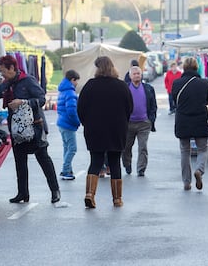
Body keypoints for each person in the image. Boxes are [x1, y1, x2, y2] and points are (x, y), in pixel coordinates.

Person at [0, 55, 61, 203]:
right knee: (20, 161)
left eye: (3, 71)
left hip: (34, 127)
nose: (2, 74)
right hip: (17, 129)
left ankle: (55, 191)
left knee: (43, 159)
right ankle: (23, 193)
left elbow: (41, 99)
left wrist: (23, 102)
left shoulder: (28, 81)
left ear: (12, 68)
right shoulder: (8, 84)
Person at [77, 56, 133, 208]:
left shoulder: (90, 86)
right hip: (116, 129)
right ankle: (117, 199)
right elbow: (130, 108)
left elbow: (80, 108)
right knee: (115, 162)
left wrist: (86, 123)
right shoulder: (121, 86)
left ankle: (90, 194)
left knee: (95, 161)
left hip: (95, 130)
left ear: (98, 69)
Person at [172, 57, 208, 191]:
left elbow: (174, 102)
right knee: (202, 149)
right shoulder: (204, 83)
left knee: (185, 151)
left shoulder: (177, 83)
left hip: (183, 120)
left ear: (184, 68)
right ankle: (199, 170)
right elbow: (207, 101)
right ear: (197, 67)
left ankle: (186, 181)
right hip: (200, 119)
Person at [122, 66, 157, 177]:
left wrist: (150, 120)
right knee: (127, 147)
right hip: (129, 124)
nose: (137, 75)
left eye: (138, 73)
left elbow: (153, 106)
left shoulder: (148, 88)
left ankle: (141, 168)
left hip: (144, 123)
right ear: (130, 76)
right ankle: (127, 164)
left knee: (143, 147)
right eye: (134, 74)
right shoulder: (125, 88)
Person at [57, 69, 80, 180]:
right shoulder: (71, 93)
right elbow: (71, 111)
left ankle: (68, 170)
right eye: (76, 81)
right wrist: (77, 122)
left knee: (66, 148)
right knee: (72, 148)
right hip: (68, 124)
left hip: (61, 123)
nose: (77, 84)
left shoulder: (62, 91)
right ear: (72, 79)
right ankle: (66, 170)